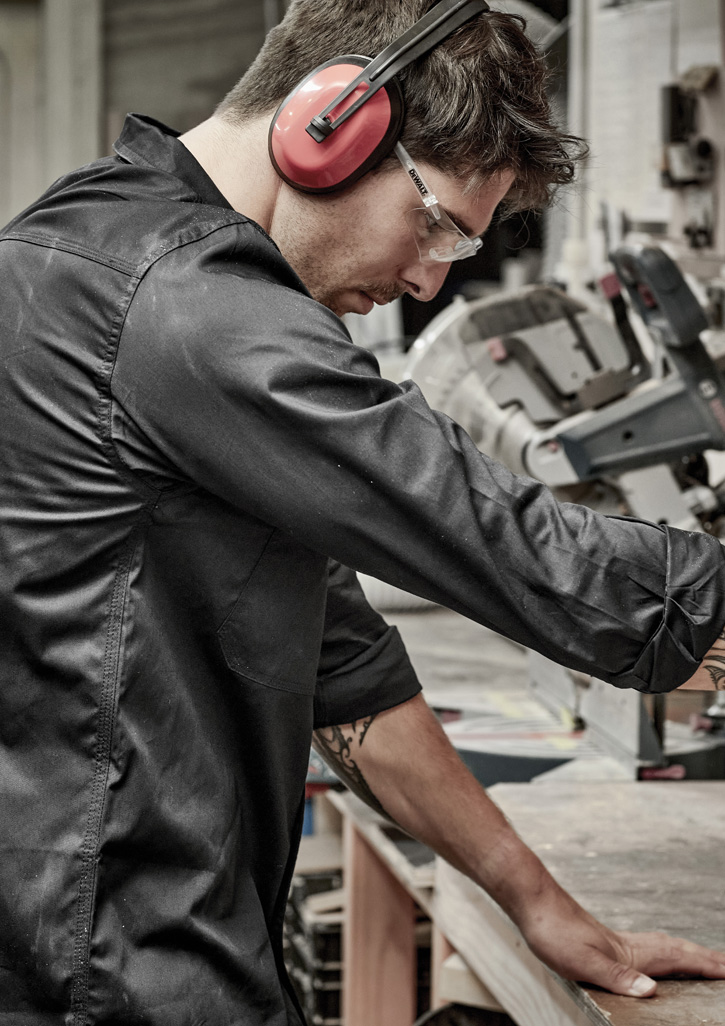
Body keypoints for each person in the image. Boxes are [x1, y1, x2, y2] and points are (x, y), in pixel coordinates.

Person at [1, 1, 725, 1023]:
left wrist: (539, 903)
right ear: (327, 126)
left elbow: (346, 673)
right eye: (434, 223)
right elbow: (478, 523)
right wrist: (698, 602)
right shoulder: (182, 303)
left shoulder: (90, 235)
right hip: (107, 967)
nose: (426, 278)